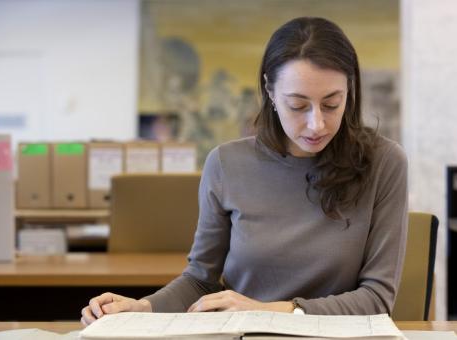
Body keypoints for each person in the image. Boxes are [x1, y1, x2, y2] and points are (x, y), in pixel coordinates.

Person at [81, 16, 407, 326]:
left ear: (349, 91)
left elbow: (377, 300)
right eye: (298, 105)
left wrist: (267, 311)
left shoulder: (385, 162)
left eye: (332, 103)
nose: (316, 123)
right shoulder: (226, 164)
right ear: (270, 92)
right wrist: (142, 307)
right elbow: (200, 281)